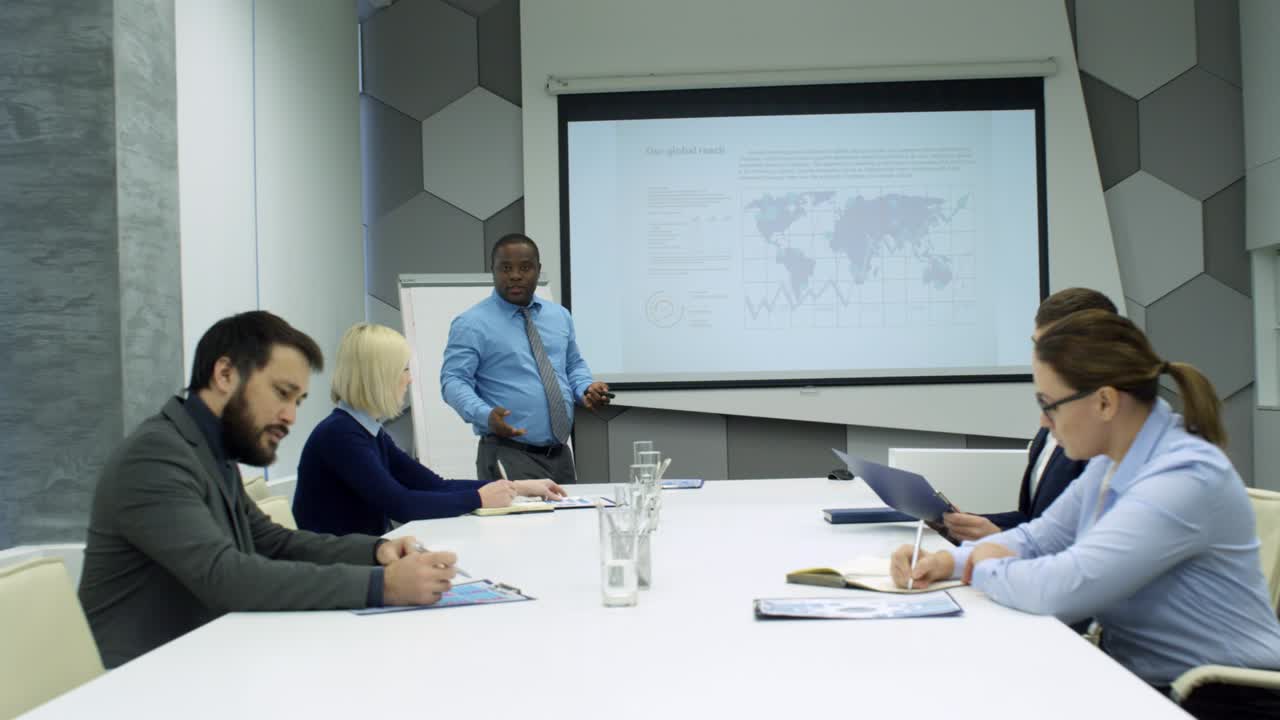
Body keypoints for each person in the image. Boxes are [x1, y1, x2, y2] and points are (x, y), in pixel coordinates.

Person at [890, 311, 1280, 719]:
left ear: (1105, 402)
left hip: (1220, 700)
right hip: (1145, 682)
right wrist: (945, 561)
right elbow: (1040, 537)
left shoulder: (1183, 478)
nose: (1043, 421)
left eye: (1049, 405)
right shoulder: (1112, 460)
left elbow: (1065, 589)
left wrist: (980, 567)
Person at [78, 312, 459, 668]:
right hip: (146, 682)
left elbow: (272, 542)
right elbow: (226, 577)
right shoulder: (156, 457)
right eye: (281, 393)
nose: (290, 416)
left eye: (297, 401)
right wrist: (382, 585)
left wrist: (375, 551)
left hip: (205, 660)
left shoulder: (207, 451)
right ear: (225, 374)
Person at [294, 323, 565, 536]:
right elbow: (401, 505)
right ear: (381, 377)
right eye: (404, 370)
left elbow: (434, 486)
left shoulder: (366, 431)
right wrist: (478, 498)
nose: (409, 379)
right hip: (339, 567)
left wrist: (515, 487)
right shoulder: (341, 435)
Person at [941, 288, 1117, 542]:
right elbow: (1037, 521)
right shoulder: (1060, 414)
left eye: (1049, 350)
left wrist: (1000, 538)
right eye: (1037, 346)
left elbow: (1084, 546)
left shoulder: (1109, 439)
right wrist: (965, 525)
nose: (1044, 421)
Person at [441, 233, 611, 485]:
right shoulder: (472, 324)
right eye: (505, 268)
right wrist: (485, 415)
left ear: (538, 270)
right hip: (508, 452)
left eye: (525, 267)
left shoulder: (559, 316)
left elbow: (572, 365)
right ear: (492, 270)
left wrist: (586, 387)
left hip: (560, 455)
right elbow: (453, 381)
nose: (515, 276)